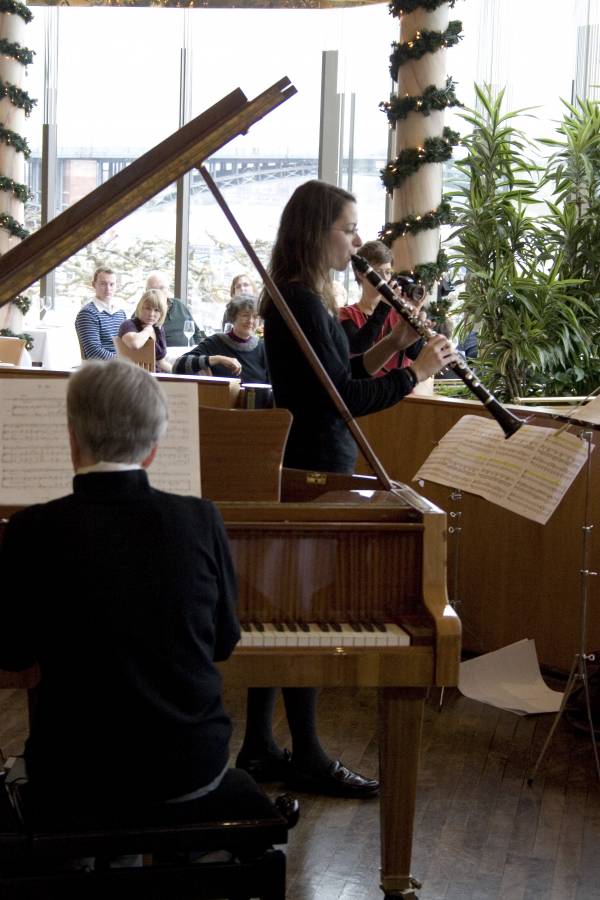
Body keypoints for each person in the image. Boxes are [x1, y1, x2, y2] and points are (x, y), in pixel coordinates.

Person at [234, 180, 457, 798]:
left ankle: (260, 745)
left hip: (311, 464)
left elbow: (342, 369)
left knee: (287, 605)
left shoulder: (305, 297)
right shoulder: (301, 301)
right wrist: (416, 373)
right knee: (303, 611)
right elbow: (348, 399)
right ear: (317, 230)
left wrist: (394, 345)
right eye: (349, 228)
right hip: (313, 470)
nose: (358, 241)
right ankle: (303, 752)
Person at [0, 359, 240, 811]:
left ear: (73, 439)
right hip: (190, 765)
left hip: (74, 769)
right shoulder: (202, 520)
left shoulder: (31, 529)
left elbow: (12, 652)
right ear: (152, 450)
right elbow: (223, 642)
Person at [340, 240, 425, 378]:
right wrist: (384, 305)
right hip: (367, 393)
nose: (386, 278)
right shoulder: (345, 314)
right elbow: (359, 347)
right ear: (361, 274)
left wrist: (414, 318)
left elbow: (415, 354)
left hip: (403, 394)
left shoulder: (398, 312)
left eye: (388, 272)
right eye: (379, 272)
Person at [173, 295, 266, 382]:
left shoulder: (262, 348)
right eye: (245, 315)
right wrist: (218, 359)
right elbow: (177, 366)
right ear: (233, 317)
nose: (250, 321)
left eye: (255, 317)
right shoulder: (215, 342)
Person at [74, 267, 126, 360]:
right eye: (103, 284)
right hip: (101, 370)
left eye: (112, 284)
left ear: (116, 286)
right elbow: (94, 351)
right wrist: (124, 363)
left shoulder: (121, 313)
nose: (108, 288)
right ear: (94, 285)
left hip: (122, 367)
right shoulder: (87, 314)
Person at [118, 287, 172, 372]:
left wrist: (180, 374)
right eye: (148, 308)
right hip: (133, 377)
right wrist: (148, 330)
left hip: (158, 376)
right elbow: (134, 344)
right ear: (140, 307)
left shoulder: (158, 328)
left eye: (157, 310)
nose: (151, 314)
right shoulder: (128, 324)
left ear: (162, 313)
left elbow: (161, 362)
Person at [146, 271, 204, 347]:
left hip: (190, 354)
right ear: (146, 291)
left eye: (161, 288)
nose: (158, 292)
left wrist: (200, 351)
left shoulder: (179, 305)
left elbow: (197, 333)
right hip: (164, 357)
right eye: (153, 289)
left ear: (168, 289)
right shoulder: (142, 312)